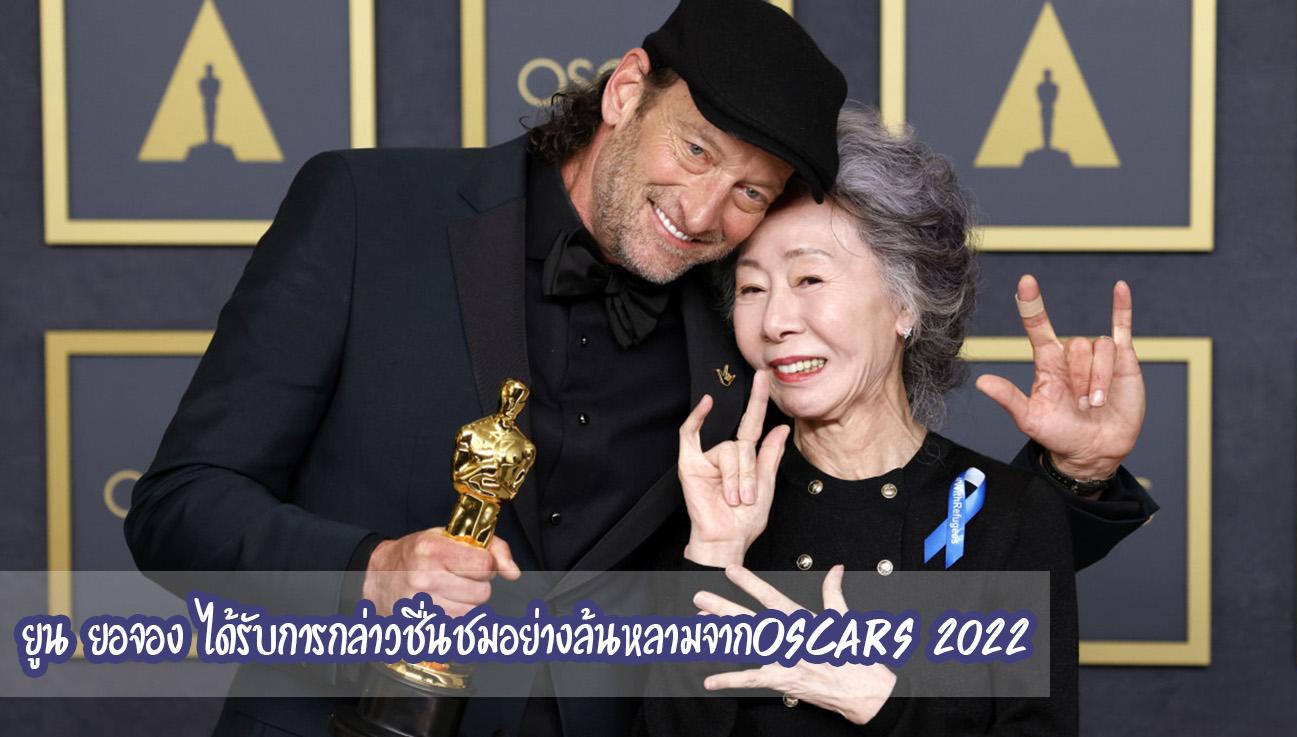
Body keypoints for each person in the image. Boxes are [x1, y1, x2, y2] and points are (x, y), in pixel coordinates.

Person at [124, 2, 1153, 735]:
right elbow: (176, 505)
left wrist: (1074, 478)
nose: (703, 214)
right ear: (625, 92)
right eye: (695, 151)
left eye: (750, 193)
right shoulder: (366, 212)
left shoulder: (746, 316)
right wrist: (368, 568)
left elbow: (882, 526)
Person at [642, 108, 1107, 734]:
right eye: (752, 289)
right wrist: (715, 556)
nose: (775, 322)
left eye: (810, 278)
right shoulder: (708, 500)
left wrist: (886, 704)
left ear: (905, 302)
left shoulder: (1006, 512)